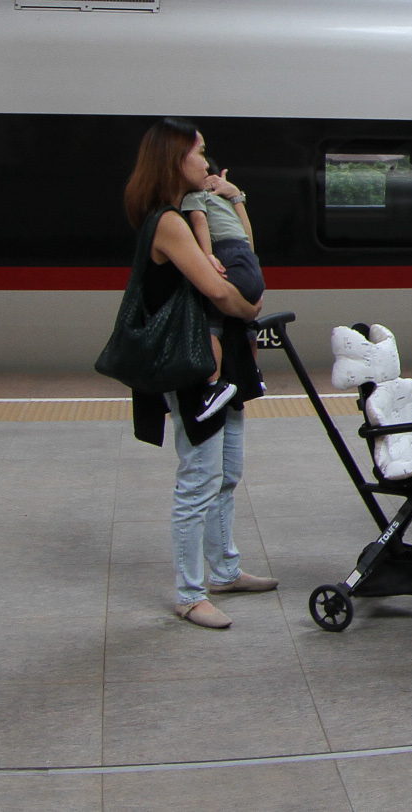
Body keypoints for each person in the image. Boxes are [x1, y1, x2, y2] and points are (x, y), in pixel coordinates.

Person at [121, 118, 276, 631]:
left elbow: (243, 253)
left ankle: (225, 570)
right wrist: (249, 307)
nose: (206, 164)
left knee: (227, 473)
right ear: (174, 159)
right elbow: (215, 289)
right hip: (194, 366)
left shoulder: (193, 211)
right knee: (199, 479)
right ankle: (190, 594)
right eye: (199, 154)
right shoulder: (169, 220)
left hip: (222, 358)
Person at [183, 164, 263, 421]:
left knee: (211, 322)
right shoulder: (227, 200)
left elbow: (199, 220)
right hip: (250, 262)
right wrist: (236, 196)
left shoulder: (196, 193)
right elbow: (249, 239)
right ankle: (255, 373)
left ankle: (215, 384)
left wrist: (208, 256)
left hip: (227, 256)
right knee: (246, 323)